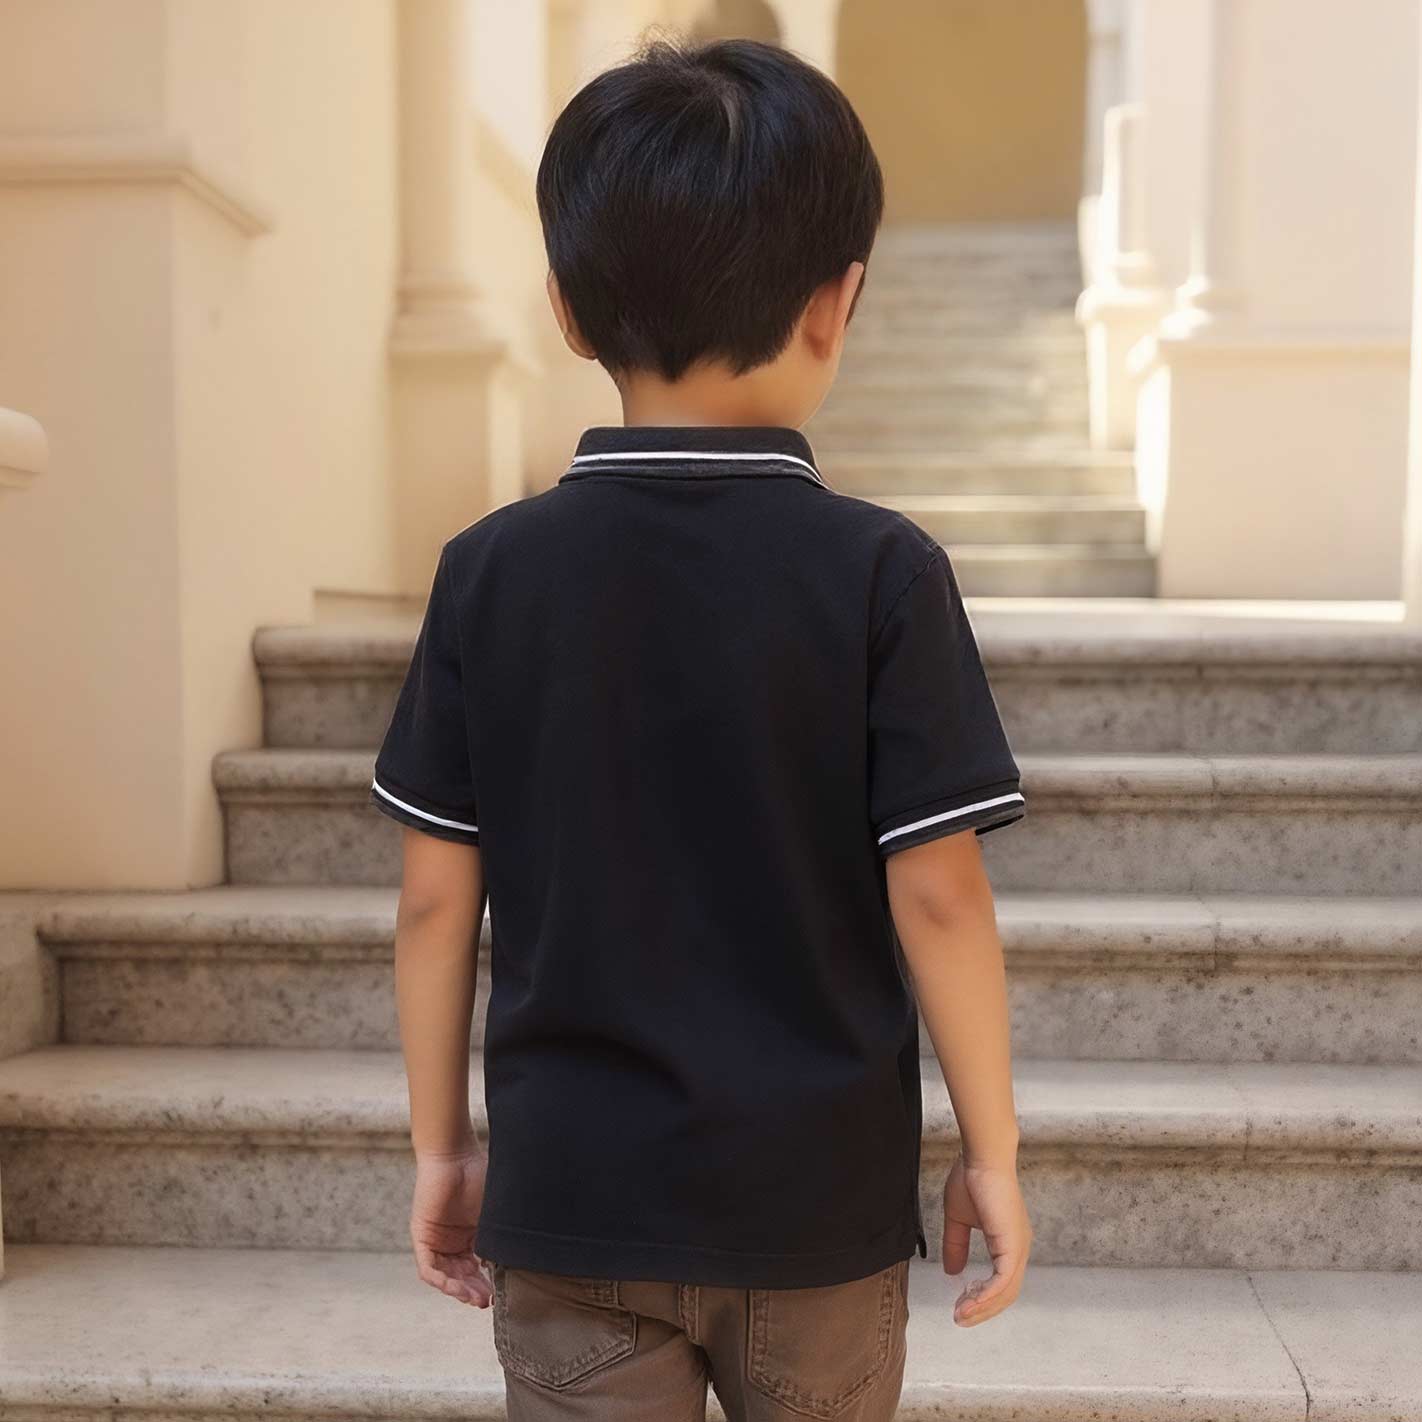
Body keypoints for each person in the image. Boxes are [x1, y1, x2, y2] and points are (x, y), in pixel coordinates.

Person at [370, 34, 1031, 1422]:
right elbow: (941, 892)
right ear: (834, 303)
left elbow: (437, 904)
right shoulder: (878, 572)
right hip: (817, 1221)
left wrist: (441, 1149)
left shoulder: (489, 569)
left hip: (572, 1206)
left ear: (562, 307)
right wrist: (992, 1149)